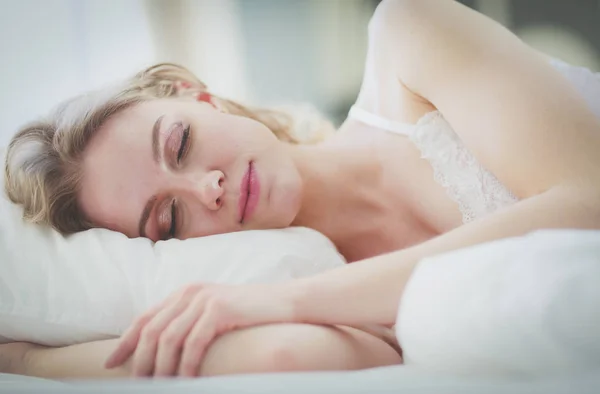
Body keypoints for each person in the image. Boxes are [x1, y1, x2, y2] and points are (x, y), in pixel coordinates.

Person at [3, 0, 600, 379]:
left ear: (196, 94)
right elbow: (286, 357)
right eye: (168, 220)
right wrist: (34, 363)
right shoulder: (320, 302)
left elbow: (588, 199)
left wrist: (289, 301)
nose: (205, 188)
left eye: (180, 144)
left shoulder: (408, 36)